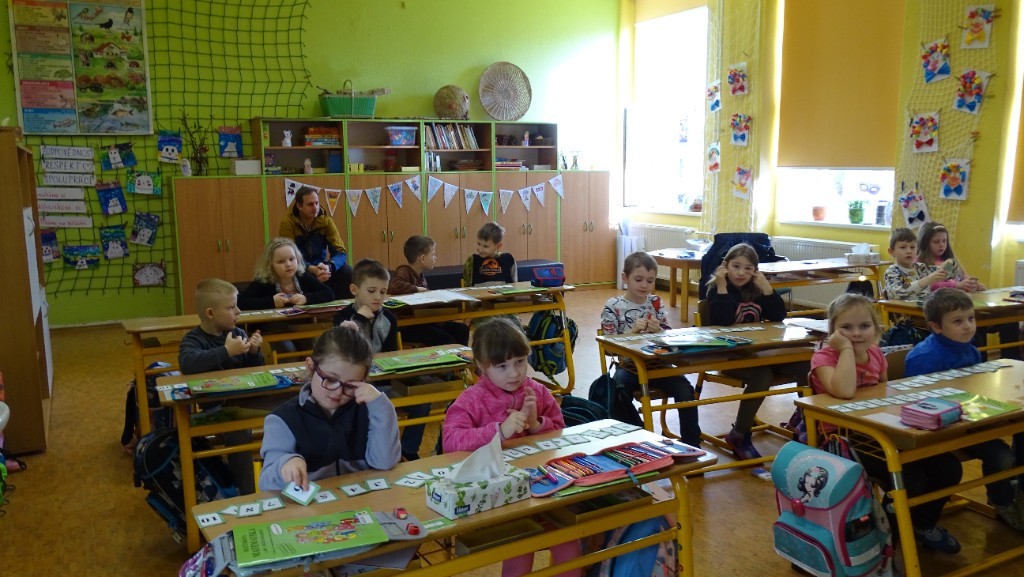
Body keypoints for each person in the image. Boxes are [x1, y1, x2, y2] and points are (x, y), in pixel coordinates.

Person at [811, 293, 964, 554]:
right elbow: (845, 391)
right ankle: (886, 540)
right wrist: (845, 350)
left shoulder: (875, 354)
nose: (856, 333)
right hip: (844, 439)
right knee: (910, 479)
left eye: (864, 326)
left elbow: (884, 396)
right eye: (846, 327)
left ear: (876, 327)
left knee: (949, 468)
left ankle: (921, 525)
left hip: (882, 430)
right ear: (833, 331)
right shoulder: (824, 358)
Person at [442, 318, 580, 577]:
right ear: (482, 366)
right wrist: (499, 431)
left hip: (542, 491)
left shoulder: (537, 391)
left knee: (569, 543)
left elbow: (560, 433)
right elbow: (451, 441)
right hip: (497, 500)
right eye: (502, 366)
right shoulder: (472, 400)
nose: (514, 373)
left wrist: (536, 424)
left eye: (519, 362)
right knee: (521, 546)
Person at [904, 289, 1024, 531]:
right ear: (936, 326)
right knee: (1002, 457)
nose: (968, 326)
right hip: (941, 430)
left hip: (970, 420)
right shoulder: (925, 358)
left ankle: (1013, 489)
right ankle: (1002, 502)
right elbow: (921, 404)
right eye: (958, 321)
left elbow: (975, 390)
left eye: (971, 318)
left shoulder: (970, 349)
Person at [258, 324, 401, 492]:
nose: (338, 392)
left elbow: (385, 462)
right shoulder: (283, 419)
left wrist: (382, 407)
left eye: (351, 385)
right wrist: (285, 463)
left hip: (361, 499)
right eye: (331, 380)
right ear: (310, 367)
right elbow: (266, 482)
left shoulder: (369, 410)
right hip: (312, 503)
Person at [705, 243, 809, 460]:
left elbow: (778, 317)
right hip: (730, 357)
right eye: (736, 266)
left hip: (761, 352)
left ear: (755, 270)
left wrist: (767, 288)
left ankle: (806, 420)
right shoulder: (716, 289)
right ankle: (740, 433)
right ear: (725, 266)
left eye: (748, 268)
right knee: (763, 375)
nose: (741, 273)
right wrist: (722, 286)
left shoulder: (756, 289)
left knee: (805, 364)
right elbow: (721, 322)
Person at [600, 252, 700, 447]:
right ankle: (634, 437)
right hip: (629, 367)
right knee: (619, 391)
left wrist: (660, 331)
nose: (644, 285)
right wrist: (631, 332)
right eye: (638, 279)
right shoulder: (613, 306)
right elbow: (608, 347)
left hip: (658, 364)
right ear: (625, 278)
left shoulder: (655, 302)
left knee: (685, 391)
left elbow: (669, 337)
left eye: (650, 280)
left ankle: (693, 445)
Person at [334, 259, 428, 461]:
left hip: (384, 383)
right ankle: (366, 453)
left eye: (383, 291)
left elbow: (390, 357)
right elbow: (346, 356)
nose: (378, 297)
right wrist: (359, 320)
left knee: (422, 402)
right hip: (355, 387)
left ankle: (408, 450)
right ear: (354, 289)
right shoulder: (342, 318)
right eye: (371, 291)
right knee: (359, 411)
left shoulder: (389, 319)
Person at [178, 278, 265, 493]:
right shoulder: (193, 339)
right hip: (217, 408)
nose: (238, 311)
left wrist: (254, 353)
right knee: (238, 431)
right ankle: (247, 493)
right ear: (210, 313)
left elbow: (254, 372)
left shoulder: (238, 334)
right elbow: (187, 363)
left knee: (289, 411)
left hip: (245, 401)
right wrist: (226, 351)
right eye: (231, 307)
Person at [917, 222, 1021, 360]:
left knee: (1009, 321)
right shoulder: (920, 264)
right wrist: (957, 285)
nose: (941, 245)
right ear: (925, 243)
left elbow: (964, 277)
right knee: (977, 327)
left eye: (944, 241)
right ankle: (980, 363)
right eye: (936, 242)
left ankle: (1013, 361)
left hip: (967, 305)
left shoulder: (950, 261)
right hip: (947, 310)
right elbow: (932, 285)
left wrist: (974, 285)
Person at [388, 235, 469, 346]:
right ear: (422, 258)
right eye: (433, 254)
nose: (435, 258)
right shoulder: (404, 271)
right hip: (409, 326)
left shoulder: (421, 276)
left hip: (423, 321)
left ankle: (462, 355)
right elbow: (394, 285)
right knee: (446, 340)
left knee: (461, 329)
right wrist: (416, 289)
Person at [279, 185, 353, 299]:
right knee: (297, 276)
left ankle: (342, 307)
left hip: (321, 267)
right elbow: (288, 257)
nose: (315, 207)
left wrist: (329, 267)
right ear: (299, 206)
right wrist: (311, 269)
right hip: (300, 269)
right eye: (310, 204)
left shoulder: (326, 222)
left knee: (347, 271)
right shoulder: (288, 224)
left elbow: (340, 252)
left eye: (317, 203)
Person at [237, 237, 334, 310]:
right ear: (270, 265)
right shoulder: (264, 282)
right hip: (273, 327)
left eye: (291, 259)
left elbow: (329, 293)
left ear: (298, 259)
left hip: (302, 324)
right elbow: (241, 302)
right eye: (281, 261)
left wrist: (306, 298)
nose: (288, 264)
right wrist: (271, 302)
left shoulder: (303, 277)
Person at [881, 227, 948, 300]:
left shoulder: (921, 268)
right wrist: (927, 279)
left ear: (917, 250)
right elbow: (896, 293)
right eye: (903, 247)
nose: (909, 251)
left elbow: (947, 273)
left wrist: (948, 264)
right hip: (902, 307)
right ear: (891, 252)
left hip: (925, 306)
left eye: (912, 247)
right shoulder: (892, 271)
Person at [463, 222, 517, 287]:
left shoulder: (508, 259)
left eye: (485, 246)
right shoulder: (471, 260)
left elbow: (514, 285)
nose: (480, 249)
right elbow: (467, 286)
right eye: (479, 244)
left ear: (498, 246)